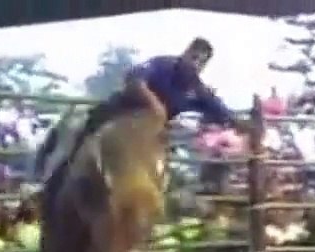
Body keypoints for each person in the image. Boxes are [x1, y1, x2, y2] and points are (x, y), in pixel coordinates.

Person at [38, 38, 247, 185]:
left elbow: (222, 111)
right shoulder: (163, 64)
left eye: (201, 61)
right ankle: (57, 174)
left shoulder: (197, 89)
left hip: (153, 134)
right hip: (122, 113)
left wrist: (245, 124)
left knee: (164, 168)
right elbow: (134, 81)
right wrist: (155, 105)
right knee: (84, 126)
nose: (195, 64)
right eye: (193, 57)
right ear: (185, 52)